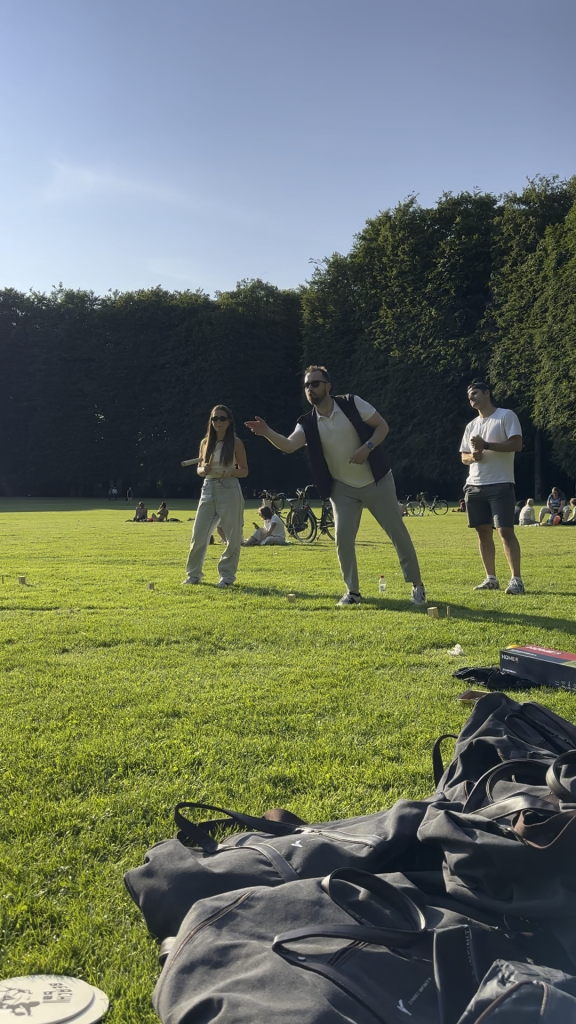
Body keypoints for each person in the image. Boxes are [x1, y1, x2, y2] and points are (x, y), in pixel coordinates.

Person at [245, 366, 425, 606]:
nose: (310, 389)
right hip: (343, 488)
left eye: (315, 384)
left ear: (328, 386)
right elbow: (289, 445)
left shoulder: (351, 403)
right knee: (342, 538)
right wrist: (267, 432)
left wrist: (367, 447)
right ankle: (353, 593)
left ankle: (417, 585)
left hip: (376, 480)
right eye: (306, 386)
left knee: (397, 533)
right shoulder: (307, 423)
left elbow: (382, 426)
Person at [460, 381, 524, 594]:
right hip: (474, 486)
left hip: (500, 483)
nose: (472, 398)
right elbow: (464, 456)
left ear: (487, 393)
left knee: (505, 531)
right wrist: (473, 457)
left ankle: (516, 580)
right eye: (469, 396)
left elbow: (516, 444)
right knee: (483, 532)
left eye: (475, 393)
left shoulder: (506, 416)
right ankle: (491, 579)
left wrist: (486, 445)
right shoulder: (471, 425)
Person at [182, 405, 248, 587]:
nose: (218, 422)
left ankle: (227, 577)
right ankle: (193, 575)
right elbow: (199, 470)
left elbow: (244, 471)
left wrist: (231, 471)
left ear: (229, 421)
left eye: (222, 418)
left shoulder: (236, 443)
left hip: (229, 489)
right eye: (214, 418)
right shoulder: (205, 443)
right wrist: (204, 469)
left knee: (233, 537)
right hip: (208, 488)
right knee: (198, 535)